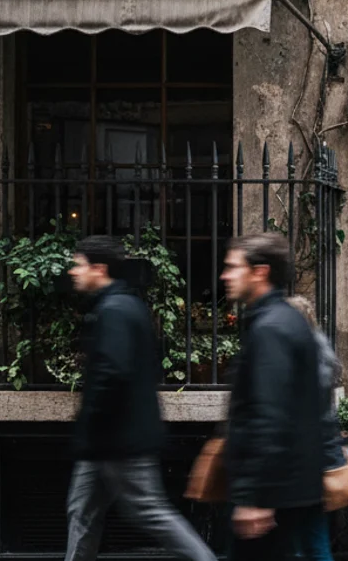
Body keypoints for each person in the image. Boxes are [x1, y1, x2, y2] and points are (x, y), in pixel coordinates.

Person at [65, 236, 216, 561]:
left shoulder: (116, 310)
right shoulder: (122, 305)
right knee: (82, 513)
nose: (72, 272)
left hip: (119, 440)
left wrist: (89, 425)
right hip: (108, 440)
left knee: (151, 513)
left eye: (78, 264)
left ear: (99, 268)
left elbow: (112, 373)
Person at [220, 232, 324, 559]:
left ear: (260, 272)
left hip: (274, 494)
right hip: (292, 487)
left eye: (233, 267)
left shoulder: (270, 329)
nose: (225, 275)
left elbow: (269, 415)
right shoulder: (288, 320)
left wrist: (255, 498)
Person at [285, 295, 345, 561]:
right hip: (320, 457)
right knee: (314, 537)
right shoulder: (322, 351)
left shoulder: (300, 357)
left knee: (305, 541)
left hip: (304, 461)